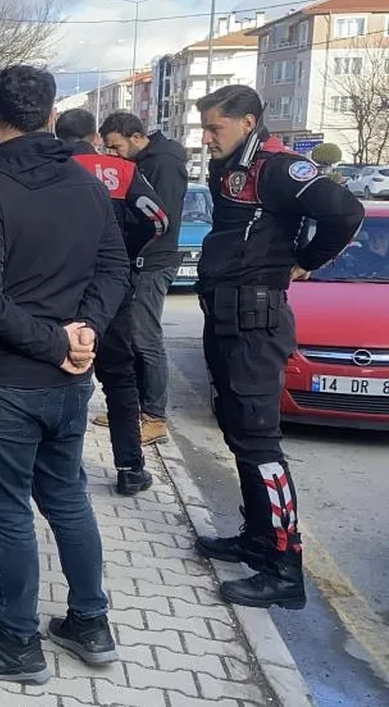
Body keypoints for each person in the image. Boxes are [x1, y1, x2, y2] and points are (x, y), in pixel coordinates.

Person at [0, 66, 130, 684]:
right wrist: (85, 336)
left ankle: (19, 644)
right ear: (50, 116)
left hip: (5, 384)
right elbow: (115, 272)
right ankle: (90, 622)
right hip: (69, 380)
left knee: (8, 512)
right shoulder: (88, 188)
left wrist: (62, 342)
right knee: (67, 495)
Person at [194, 85, 363, 609]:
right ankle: (256, 540)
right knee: (238, 434)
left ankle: (286, 571)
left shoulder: (279, 167)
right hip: (224, 316)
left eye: (214, 128)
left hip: (256, 323)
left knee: (261, 445)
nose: (205, 138)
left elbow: (345, 211)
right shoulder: (232, 166)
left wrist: (307, 260)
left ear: (246, 123)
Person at [56, 108, 170, 496]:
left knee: (63, 371)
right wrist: (125, 253)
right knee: (120, 379)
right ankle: (130, 468)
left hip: (58, 286)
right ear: (93, 136)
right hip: (113, 287)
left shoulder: (47, 167)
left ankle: (59, 466)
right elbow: (159, 220)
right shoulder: (119, 170)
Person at [98, 112, 189, 445]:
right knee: (131, 337)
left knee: (145, 337)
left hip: (154, 260)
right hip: (139, 259)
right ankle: (131, 408)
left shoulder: (162, 163)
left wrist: (132, 247)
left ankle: (154, 416)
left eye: (116, 146)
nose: (114, 155)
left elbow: (157, 219)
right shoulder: (146, 160)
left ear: (135, 137)